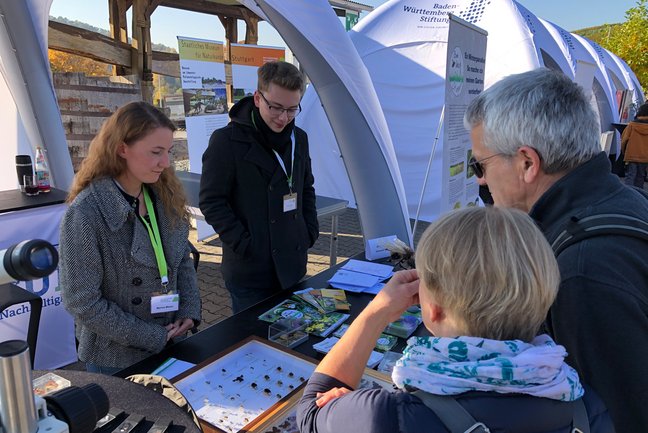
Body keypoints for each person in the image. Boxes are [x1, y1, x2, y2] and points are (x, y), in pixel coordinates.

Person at [297, 207, 613, 433]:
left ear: (433, 309)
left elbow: (310, 411)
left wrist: (374, 313)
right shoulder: (586, 405)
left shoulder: (387, 416)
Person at [464, 68, 648, 432]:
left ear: (527, 163)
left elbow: (620, 416)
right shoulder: (620, 199)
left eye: (480, 165)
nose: (480, 179)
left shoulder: (582, 272)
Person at [59, 101, 202, 375]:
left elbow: (181, 260)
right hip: (115, 358)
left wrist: (188, 308)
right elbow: (82, 301)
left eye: (169, 152)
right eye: (156, 152)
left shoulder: (164, 195)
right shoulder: (86, 212)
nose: (166, 163)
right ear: (122, 148)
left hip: (172, 338)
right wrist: (150, 336)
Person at [199, 61, 319, 313]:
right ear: (257, 98)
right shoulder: (226, 141)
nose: (283, 117)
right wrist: (244, 244)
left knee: (294, 338)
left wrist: (309, 230)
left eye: (291, 109)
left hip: (293, 261)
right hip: (251, 271)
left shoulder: (301, 138)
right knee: (256, 345)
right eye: (275, 107)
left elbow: (306, 187)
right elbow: (212, 201)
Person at [620, 102, 648, 188]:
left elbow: (624, 140)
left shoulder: (631, 125)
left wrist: (624, 151)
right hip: (645, 157)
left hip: (631, 155)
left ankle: (627, 195)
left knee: (630, 176)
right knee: (640, 177)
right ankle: (638, 195)